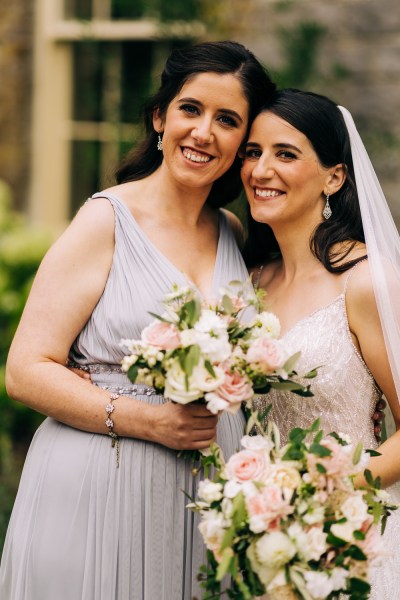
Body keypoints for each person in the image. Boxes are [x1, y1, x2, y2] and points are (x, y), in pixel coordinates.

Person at [0, 41, 276, 600]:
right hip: (100, 480)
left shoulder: (232, 231)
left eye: (227, 120)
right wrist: (149, 421)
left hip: (203, 499)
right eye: (190, 109)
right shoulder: (107, 219)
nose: (203, 132)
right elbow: (25, 369)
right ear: (159, 117)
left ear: (242, 143)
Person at [241, 88, 400, 599]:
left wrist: (317, 496)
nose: (261, 169)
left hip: (353, 541)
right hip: (263, 547)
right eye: (252, 152)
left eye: (285, 154)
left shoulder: (368, 283)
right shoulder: (246, 285)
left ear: (335, 176)